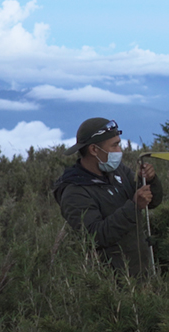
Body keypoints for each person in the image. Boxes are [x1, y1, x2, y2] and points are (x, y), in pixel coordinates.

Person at [51, 117, 162, 276]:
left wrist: (150, 181)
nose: (120, 151)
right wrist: (134, 206)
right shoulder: (75, 192)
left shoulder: (117, 171)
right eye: (115, 145)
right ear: (94, 150)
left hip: (141, 272)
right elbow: (95, 237)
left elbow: (152, 202)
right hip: (112, 285)